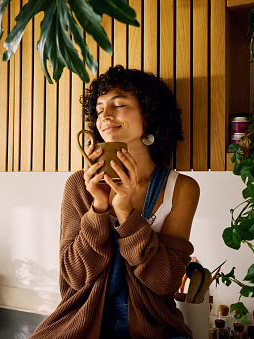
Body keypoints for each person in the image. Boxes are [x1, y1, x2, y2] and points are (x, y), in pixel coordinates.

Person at [30, 65, 200, 339]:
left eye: (119, 105)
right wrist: (98, 209)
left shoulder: (180, 189)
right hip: (80, 326)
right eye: (98, 110)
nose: (105, 116)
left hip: (154, 328)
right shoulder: (79, 186)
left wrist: (124, 211)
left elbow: (166, 283)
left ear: (148, 115)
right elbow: (73, 278)